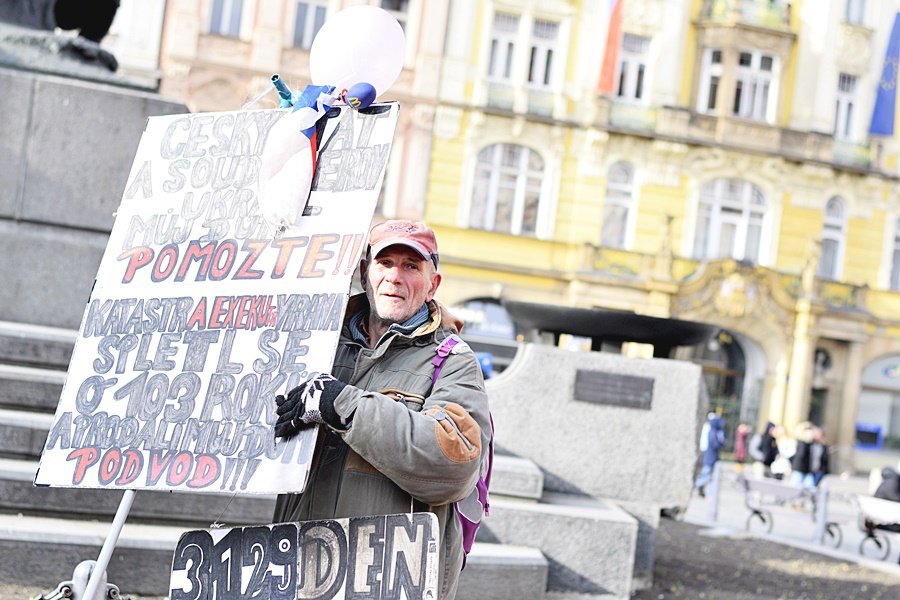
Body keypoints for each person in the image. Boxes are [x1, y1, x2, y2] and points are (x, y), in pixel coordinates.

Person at [271, 220, 491, 600]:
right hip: (301, 572)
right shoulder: (318, 345)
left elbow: (453, 464)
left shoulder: (453, 361)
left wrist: (340, 404)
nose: (395, 276)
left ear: (432, 284)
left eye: (411, 266)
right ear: (363, 273)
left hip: (388, 583)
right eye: (384, 263)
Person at [694, 414, 725, 497]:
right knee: (706, 475)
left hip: (711, 457)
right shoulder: (712, 432)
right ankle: (694, 487)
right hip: (710, 457)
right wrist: (721, 443)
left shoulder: (713, 431)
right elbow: (714, 444)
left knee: (709, 475)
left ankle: (706, 492)